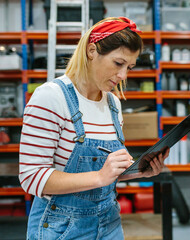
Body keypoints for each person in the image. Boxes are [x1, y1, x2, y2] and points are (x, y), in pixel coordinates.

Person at [19, 17, 169, 239]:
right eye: (118, 64)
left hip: (109, 223)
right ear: (91, 51)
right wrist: (100, 176)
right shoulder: (50, 97)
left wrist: (135, 171)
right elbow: (31, 177)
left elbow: (104, 175)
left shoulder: (113, 104)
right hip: (62, 228)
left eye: (129, 67)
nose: (123, 76)